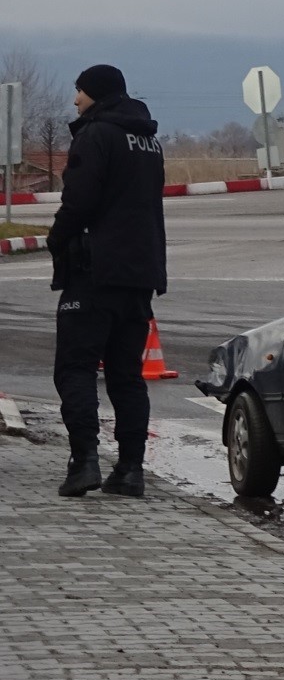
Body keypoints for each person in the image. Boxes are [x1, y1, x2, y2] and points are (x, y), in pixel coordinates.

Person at [47, 65, 167, 498]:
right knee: (125, 376)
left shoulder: (95, 136)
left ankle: (84, 463)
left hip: (94, 273)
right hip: (140, 276)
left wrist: (56, 238)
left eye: (78, 91)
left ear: (94, 93)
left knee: (75, 368)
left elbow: (79, 200)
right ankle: (131, 470)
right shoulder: (149, 140)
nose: (75, 100)